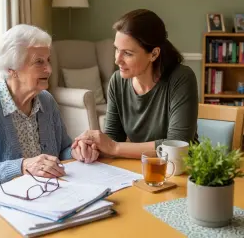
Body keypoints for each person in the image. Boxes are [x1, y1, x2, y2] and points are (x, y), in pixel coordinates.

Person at [0, 25, 98, 238]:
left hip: (37, 200)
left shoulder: (46, 101)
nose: (48, 69)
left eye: (48, 60)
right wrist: (22, 166)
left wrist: (76, 150)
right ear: (12, 68)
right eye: (39, 62)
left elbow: (62, 147)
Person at [72, 9, 199, 159]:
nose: (117, 60)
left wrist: (114, 147)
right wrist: (89, 147)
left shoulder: (181, 78)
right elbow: (113, 138)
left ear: (154, 54)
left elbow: (177, 144)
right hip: (139, 168)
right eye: (116, 50)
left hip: (180, 170)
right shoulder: (117, 81)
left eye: (127, 53)